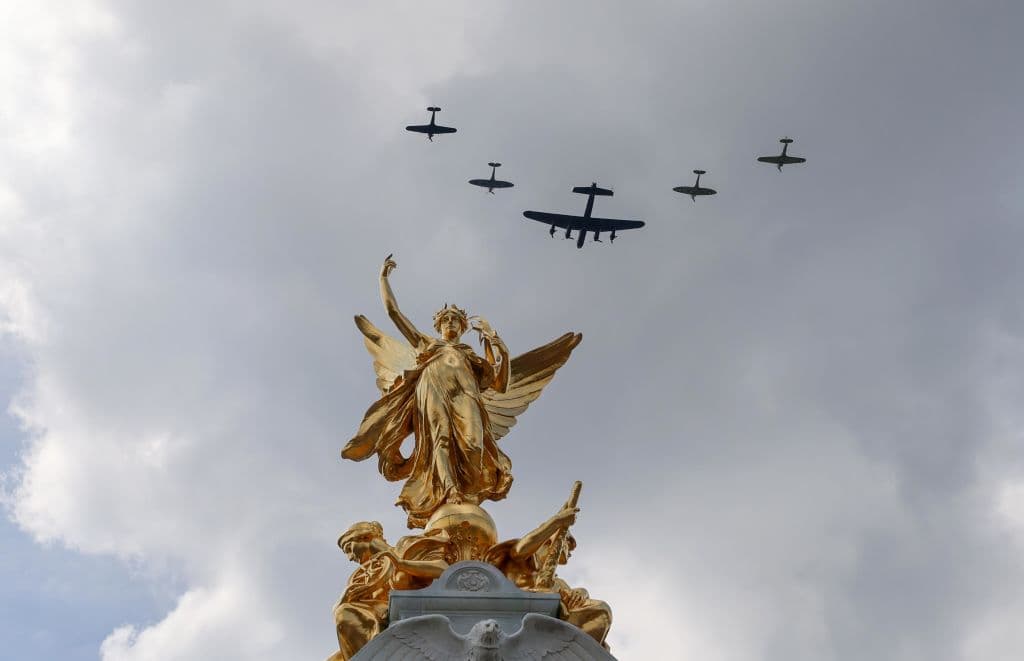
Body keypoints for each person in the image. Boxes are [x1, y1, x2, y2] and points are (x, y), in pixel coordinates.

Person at [343, 255, 514, 528]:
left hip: (466, 396)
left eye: (455, 320)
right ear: (438, 325)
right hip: (432, 391)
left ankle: (466, 490)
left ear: (462, 326)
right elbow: (394, 314)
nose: (450, 324)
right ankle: (450, 490)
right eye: (445, 320)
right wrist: (383, 278)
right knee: (440, 441)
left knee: (473, 445)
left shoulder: (469, 355)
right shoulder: (427, 345)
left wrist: (501, 350)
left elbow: (500, 386)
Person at [328, 521, 448, 661]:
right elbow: (341, 615)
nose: (350, 558)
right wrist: (345, 597)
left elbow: (444, 570)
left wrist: (401, 563)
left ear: (365, 538)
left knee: (345, 612)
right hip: (384, 626)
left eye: (349, 548)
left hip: (410, 620)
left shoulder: (404, 547)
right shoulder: (366, 581)